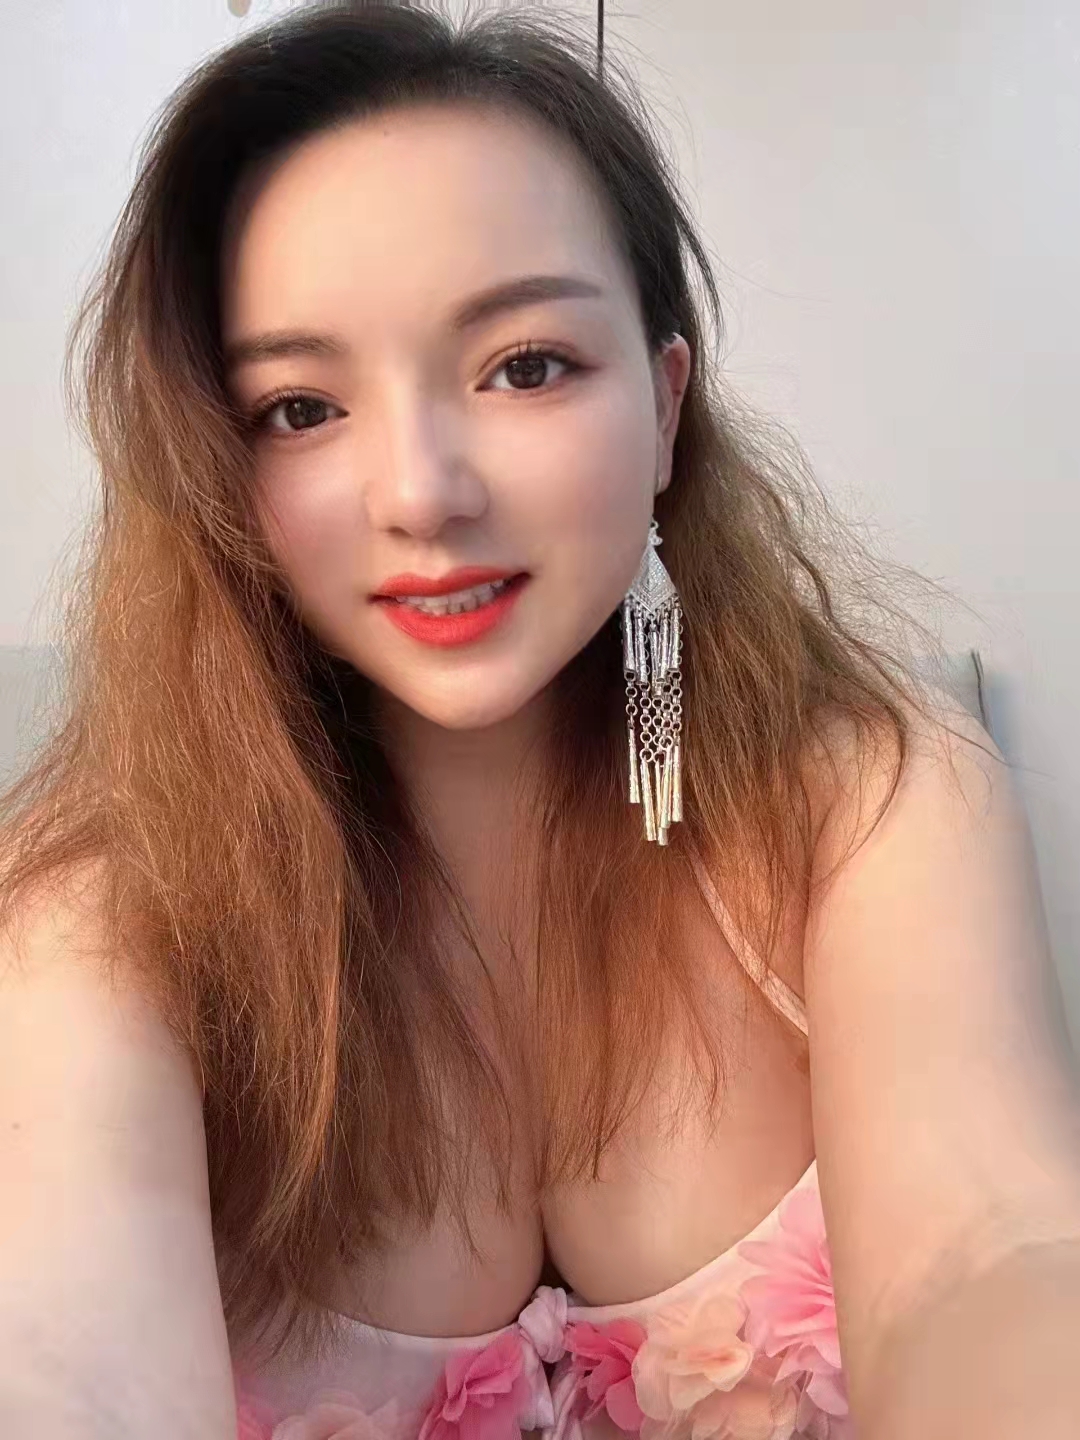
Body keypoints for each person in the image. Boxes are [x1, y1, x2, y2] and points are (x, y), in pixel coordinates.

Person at [1, 4, 1078, 1438]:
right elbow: (58, 1353)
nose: (421, 493)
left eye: (524, 367)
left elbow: (991, 1253)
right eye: (301, 407)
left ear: (667, 406)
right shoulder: (102, 918)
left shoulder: (875, 801)